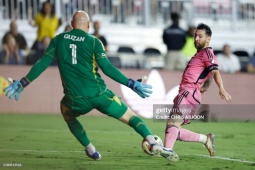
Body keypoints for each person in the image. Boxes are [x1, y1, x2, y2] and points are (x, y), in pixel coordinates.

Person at [3, 11, 179, 162]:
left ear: (72, 24)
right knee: (131, 117)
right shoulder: (94, 42)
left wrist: (23, 82)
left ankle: (91, 150)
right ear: (87, 25)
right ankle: (154, 143)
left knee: (66, 112)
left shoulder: (58, 40)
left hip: (75, 99)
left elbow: (42, 63)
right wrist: (131, 83)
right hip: (99, 95)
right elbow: (108, 69)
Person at [163, 23, 232, 159]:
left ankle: (167, 151)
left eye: (200, 36)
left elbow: (215, 71)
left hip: (189, 93)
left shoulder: (207, 52)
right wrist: (205, 86)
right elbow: (210, 74)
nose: (196, 39)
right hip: (187, 92)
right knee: (172, 127)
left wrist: (221, 88)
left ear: (208, 39)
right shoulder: (200, 54)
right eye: (195, 36)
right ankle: (205, 139)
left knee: (173, 124)